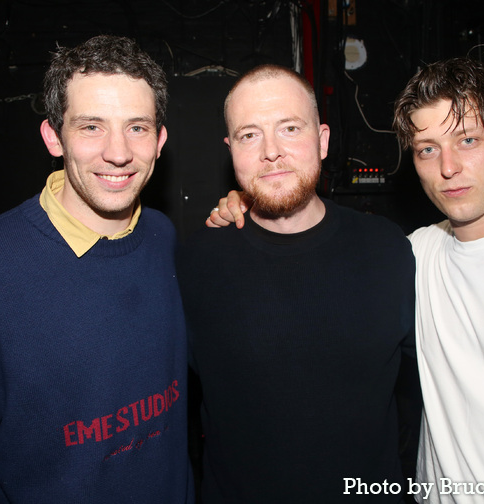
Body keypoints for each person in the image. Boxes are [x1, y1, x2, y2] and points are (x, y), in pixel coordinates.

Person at [212, 57, 484, 502]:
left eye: (468, 140)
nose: (448, 167)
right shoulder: (411, 254)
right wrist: (249, 199)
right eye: (427, 148)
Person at [0, 35, 193, 503]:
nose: (118, 152)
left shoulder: (163, 237)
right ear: (54, 137)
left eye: (137, 127)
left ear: (160, 141)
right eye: (91, 126)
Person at [177, 64, 419, 503]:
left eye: (289, 128)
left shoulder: (388, 249)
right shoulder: (195, 263)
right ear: (231, 150)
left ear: (322, 141)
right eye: (250, 135)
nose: (271, 151)